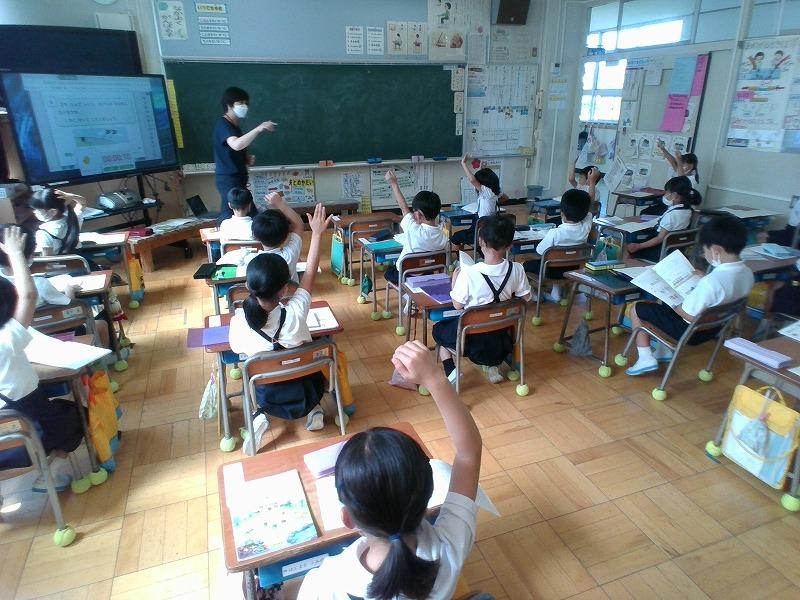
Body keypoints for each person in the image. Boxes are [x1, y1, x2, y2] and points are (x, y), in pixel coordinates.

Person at [297, 340, 482, 600]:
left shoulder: (325, 583)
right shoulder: (450, 547)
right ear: (428, 496)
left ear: (347, 519)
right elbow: (469, 452)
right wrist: (434, 378)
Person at [228, 203, 332, 454]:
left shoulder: (239, 321)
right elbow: (310, 272)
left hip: (267, 393)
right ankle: (315, 409)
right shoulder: (296, 311)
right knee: (310, 356)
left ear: (248, 286)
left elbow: (238, 352)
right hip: (307, 389)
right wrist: (317, 233)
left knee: (256, 368)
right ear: (285, 288)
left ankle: (260, 416)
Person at [0, 226, 84, 491]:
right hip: (27, 439)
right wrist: (15, 253)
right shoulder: (6, 339)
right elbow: (29, 295)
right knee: (77, 415)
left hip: (4, 448)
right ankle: (49, 475)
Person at [625, 215, 754, 375]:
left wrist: (672, 301)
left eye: (705, 250)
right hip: (714, 328)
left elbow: (689, 316)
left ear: (716, 251)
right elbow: (724, 289)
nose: (704, 254)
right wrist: (704, 277)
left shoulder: (711, 282)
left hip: (690, 332)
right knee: (663, 306)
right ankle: (664, 351)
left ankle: (645, 358)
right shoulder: (747, 273)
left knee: (638, 309)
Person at [433, 215, 530, 385]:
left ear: (481, 241)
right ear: (509, 246)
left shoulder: (469, 273)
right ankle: (493, 367)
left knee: (438, 330)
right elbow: (526, 298)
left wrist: (454, 282)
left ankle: (451, 371)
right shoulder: (517, 269)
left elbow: (457, 305)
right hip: (504, 339)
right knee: (492, 321)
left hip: (472, 343)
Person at [0, 224, 112, 349]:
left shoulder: (3, 285)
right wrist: (69, 291)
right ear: (31, 255)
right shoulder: (39, 284)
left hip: (23, 341)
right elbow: (71, 309)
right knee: (101, 324)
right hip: (53, 337)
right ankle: (106, 358)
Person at [213, 86, 277, 223]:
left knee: (248, 214)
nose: (244, 106)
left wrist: (244, 159)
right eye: (240, 103)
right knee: (232, 214)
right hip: (229, 179)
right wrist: (259, 128)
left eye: (246, 103)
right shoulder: (223, 124)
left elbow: (231, 150)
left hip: (237, 178)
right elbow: (236, 144)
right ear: (229, 105)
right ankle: (222, 235)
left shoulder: (234, 126)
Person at [523, 189, 593, 303]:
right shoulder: (586, 228)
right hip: (574, 269)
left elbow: (540, 250)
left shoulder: (555, 233)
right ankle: (556, 293)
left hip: (550, 271)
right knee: (559, 260)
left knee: (524, 266)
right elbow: (589, 213)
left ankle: (532, 294)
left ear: (562, 213)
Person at [217, 191, 304, 283]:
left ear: (255, 236)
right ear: (286, 235)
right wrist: (279, 203)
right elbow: (299, 224)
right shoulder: (291, 254)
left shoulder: (250, 261)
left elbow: (221, 272)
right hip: (291, 292)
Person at [383, 169, 448, 286]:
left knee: (389, 272)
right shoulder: (443, 237)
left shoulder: (413, 229)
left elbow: (403, 207)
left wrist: (393, 183)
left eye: (414, 212)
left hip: (405, 274)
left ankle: (406, 292)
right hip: (427, 272)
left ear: (418, 214)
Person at [626, 176, 701, 262]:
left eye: (667, 192)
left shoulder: (672, 215)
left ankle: (630, 266)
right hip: (674, 251)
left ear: (674, 195)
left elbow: (659, 238)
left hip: (660, 252)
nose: (665, 195)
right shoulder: (688, 210)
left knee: (627, 244)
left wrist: (639, 246)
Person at [452, 155, 506, 247]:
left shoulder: (486, 191)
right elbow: (506, 197)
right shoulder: (495, 191)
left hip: (481, 231)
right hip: (489, 228)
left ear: (482, 183)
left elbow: (472, 179)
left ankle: (460, 256)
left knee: (455, 237)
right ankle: (479, 250)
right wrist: (494, 202)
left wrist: (463, 163)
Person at [29, 188, 84, 256]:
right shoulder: (73, 218)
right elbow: (82, 203)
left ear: (53, 211)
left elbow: (47, 259)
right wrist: (71, 196)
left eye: (38, 210)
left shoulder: (43, 233)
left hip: (62, 262)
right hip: (79, 259)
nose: (34, 212)